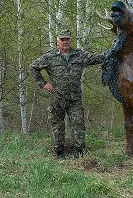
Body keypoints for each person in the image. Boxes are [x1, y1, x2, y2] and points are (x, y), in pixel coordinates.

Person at [29, 29, 105, 159]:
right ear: (57, 41)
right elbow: (33, 67)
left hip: (75, 99)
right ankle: (60, 153)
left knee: (78, 125)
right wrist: (43, 83)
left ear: (71, 40)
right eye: (62, 39)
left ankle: (79, 153)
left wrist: (116, 49)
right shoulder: (50, 56)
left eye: (67, 39)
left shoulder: (79, 55)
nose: (65, 42)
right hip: (57, 98)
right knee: (58, 126)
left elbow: (98, 58)